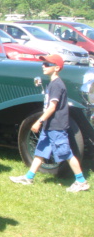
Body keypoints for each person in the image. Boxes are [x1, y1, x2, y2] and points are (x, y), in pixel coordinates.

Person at [10, 54, 89, 192]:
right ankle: (28, 177)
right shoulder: (52, 84)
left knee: (66, 153)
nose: (43, 66)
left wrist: (39, 121)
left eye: (47, 64)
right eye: (43, 63)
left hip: (56, 126)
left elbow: (52, 107)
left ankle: (81, 181)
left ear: (57, 68)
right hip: (50, 125)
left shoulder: (57, 85)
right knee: (41, 151)